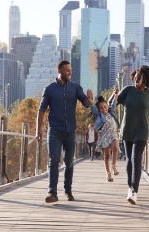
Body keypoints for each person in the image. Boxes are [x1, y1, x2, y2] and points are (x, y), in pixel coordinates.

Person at [36, 60, 94, 203]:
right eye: (67, 70)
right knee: (53, 160)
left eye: (71, 70)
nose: (70, 72)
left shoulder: (75, 88)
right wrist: (39, 130)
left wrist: (90, 100)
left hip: (70, 131)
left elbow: (85, 103)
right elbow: (41, 110)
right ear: (60, 71)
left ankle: (68, 191)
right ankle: (52, 192)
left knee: (69, 162)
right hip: (54, 130)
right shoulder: (49, 89)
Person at [116, 65, 149, 205]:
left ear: (145, 80)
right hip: (127, 130)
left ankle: (134, 191)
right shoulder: (128, 90)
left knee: (136, 158)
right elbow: (112, 104)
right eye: (135, 79)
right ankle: (130, 187)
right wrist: (113, 97)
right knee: (129, 161)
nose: (136, 82)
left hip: (142, 130)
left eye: (139, 79)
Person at [90, 87, 120, 182]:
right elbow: (93, 108)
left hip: (113, 134)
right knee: (107, 155)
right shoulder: (99, 115)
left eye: (105, 107)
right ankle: (108, 174)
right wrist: (90, 99)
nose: (104, 109)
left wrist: (115, 93)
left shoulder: (111, 111)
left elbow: (113, 102)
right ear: (99, 110)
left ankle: (114, 166)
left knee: (115, 147)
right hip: (104, 136)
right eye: (101, 108)